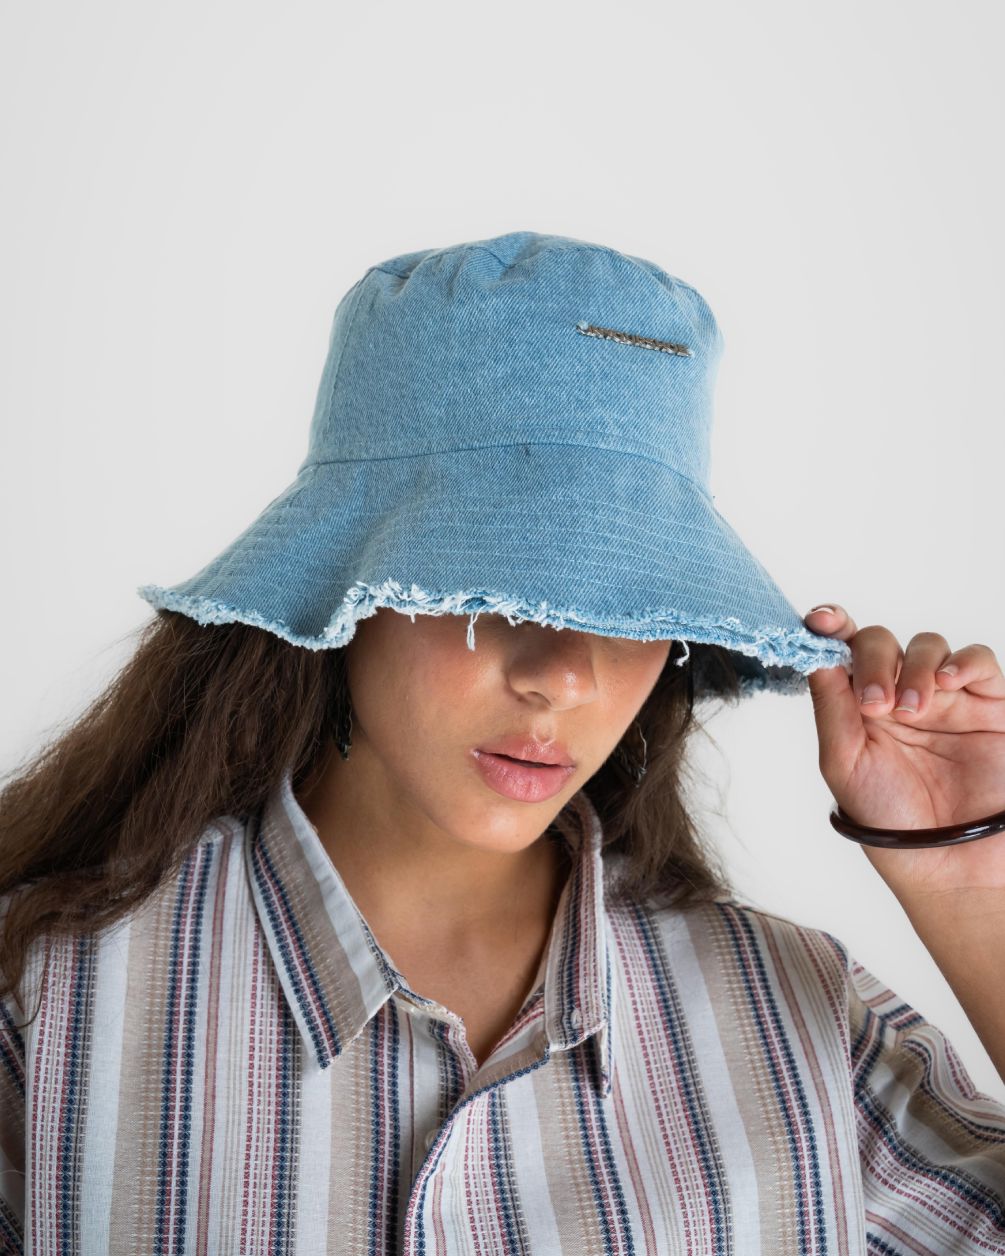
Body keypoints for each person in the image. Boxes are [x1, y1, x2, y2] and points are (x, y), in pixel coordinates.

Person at [1, 230, 1002, 1253]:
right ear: (347, 586)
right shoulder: (49, 1000)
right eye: (492, 592)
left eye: (630, 606)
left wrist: (973, 879)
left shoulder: (803, 1020)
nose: (564, 677)